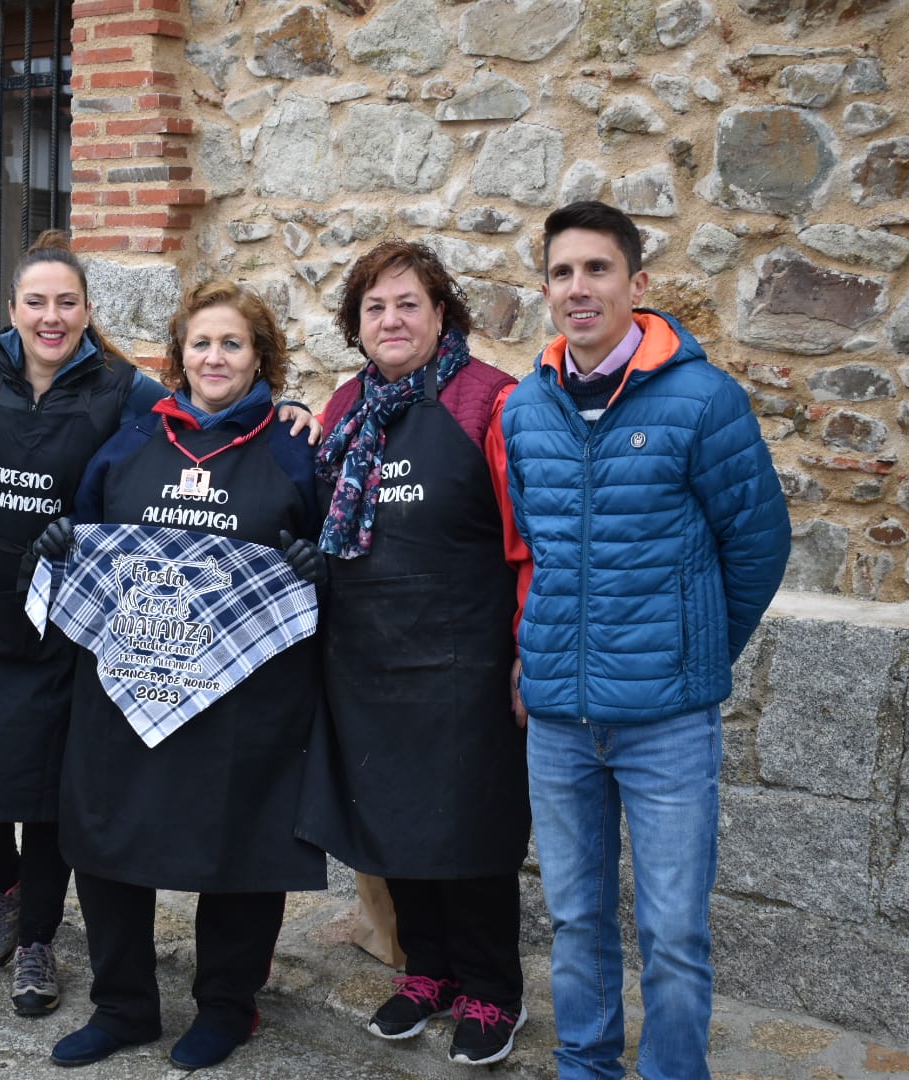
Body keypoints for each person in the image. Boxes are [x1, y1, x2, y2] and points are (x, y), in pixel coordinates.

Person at [501, 201, 790, 1079]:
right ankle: (585, 1065)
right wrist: (533, 655)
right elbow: (538, 552)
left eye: (597, 269)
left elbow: (758, 545)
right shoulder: (525, 411)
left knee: (672, 929)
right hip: (557, 720)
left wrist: (693, 651)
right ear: (546, 290)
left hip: (667, 718)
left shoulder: (703, 400)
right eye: (561, 273)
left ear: (637, 283)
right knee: (576, 917)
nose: (578, 288)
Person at [45, 281, 328, 1071]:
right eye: (201, 344)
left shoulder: (296, 449)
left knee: (239, 844)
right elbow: (88, 528)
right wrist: (63, 542)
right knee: (107, 839)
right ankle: (123, 1006)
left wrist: (318, 567)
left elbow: (336, 555)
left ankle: (227, 1008)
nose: (214, 358)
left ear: (259, 357)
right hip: (129, 685)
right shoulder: (134, 441)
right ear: (179, 357)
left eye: (232, 344)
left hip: (247, 699)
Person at [0, 230, 169, 1017]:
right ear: (12, 308)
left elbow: (202, 426)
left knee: (49, 798)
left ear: (87, 311)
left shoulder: (126, 391)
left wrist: (284, 415)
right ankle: (4, 883)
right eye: (36, 302)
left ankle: (39, 940)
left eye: (67, 302)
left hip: (63, 626)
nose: (52, 317)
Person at [295, 239, 534, 1067]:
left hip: (464, 661)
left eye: (408, 304)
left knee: (469, 832)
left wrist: (523, 652)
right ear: (357, 327)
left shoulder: (491, 402)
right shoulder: (339, 410)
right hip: (365, 659)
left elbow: (531, 540)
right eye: (375, 308)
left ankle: (494, 990)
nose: (391, 320)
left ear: (441, 315)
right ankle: (424, 970)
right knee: (395, 824)